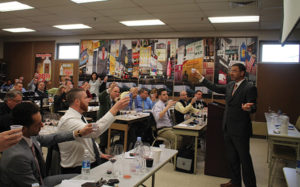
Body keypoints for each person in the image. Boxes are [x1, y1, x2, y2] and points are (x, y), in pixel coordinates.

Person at [192, 63, 257, 187]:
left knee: (245, 160)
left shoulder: (249, 87)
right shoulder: (230, 85)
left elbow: (253, 106)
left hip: (241, 130)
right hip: (227, 128)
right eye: (230, 71)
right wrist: (201, 78)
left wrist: (249, 108)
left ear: (242, 73)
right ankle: (235, 182)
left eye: (234, 71)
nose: (231, 73)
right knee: (232, 158)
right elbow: (215, 87)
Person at [0, 102, 94, 187]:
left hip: (40, 180)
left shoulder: (28, 136)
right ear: (23, 128)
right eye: (37, 124)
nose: (42, 125)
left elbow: (53, 137)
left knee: (79, 178)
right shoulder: (17, 157)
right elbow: (33, 185)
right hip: (35, 184)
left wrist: (79, 132)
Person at [58, 88, 129, 174]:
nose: (89, 100)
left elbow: (87, 139)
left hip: (87, 163)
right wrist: (114, 109)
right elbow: (94, 131)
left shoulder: (79, 117)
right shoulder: (69, 120)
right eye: (85, 98)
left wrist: (98, 153)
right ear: (77, 101)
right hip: (77, 169)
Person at [97, 82, 120, 152]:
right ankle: (102, 148)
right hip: (103, 121)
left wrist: (117, 104)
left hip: (112, 122)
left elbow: (118, 114)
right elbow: (100, 96)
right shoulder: (105, 98)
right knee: (105, 131)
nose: (117, 93)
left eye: (118, 92)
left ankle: (119, 144)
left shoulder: (116, 101)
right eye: (115, 91)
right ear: (110, 92)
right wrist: (108, 90)